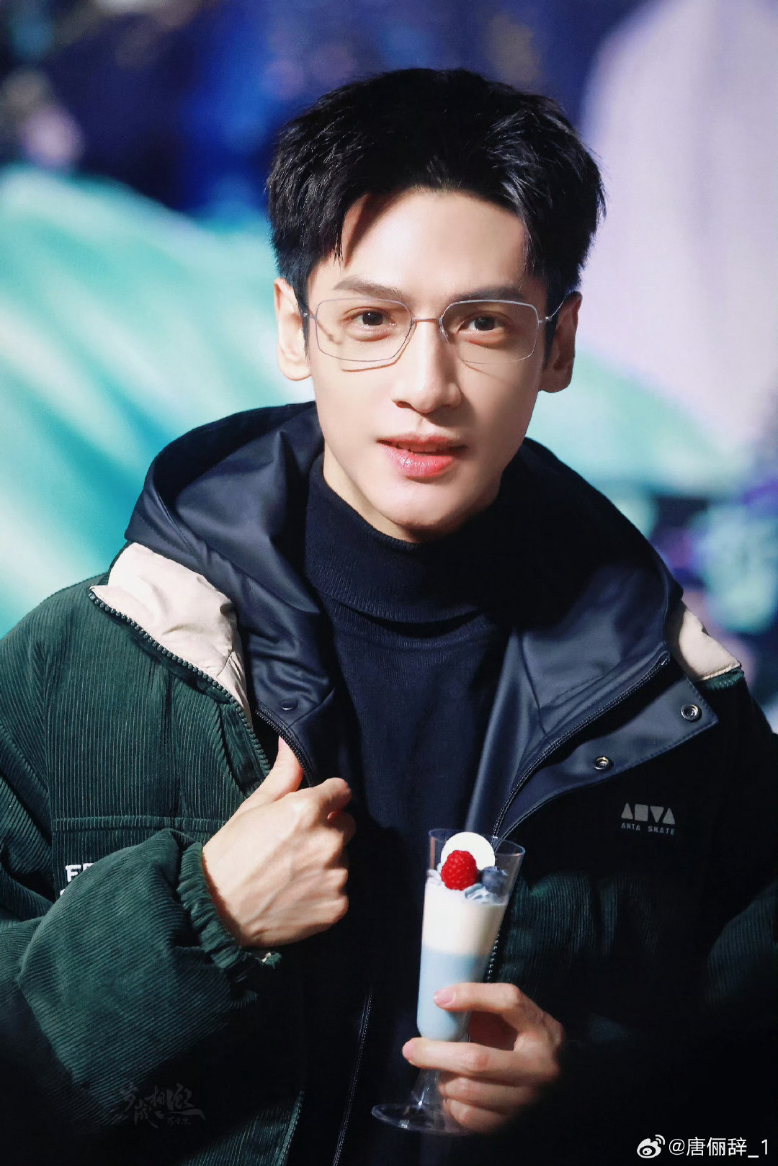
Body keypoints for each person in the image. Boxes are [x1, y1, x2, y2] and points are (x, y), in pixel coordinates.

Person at [0, 68, 774, 1166]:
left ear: (557, 345)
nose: (426, 383)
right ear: (293, 329)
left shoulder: (677, 716)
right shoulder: (78, 667)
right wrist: (201, 918)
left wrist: (599, 1104)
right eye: (369, 319)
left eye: (484, 324)